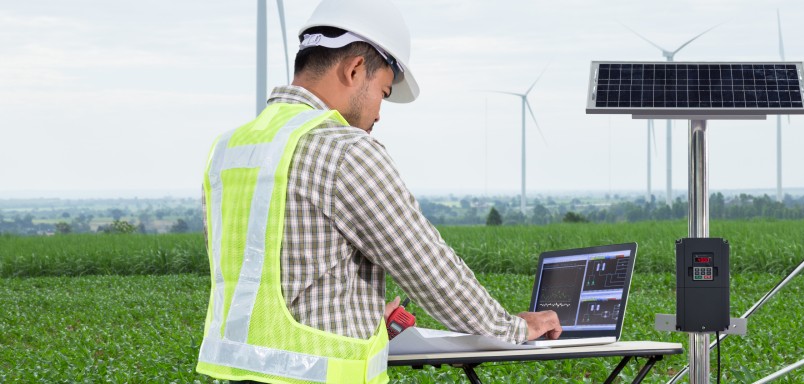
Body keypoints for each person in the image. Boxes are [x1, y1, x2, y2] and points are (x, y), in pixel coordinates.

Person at [194, 0, 560, 382]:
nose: (379, 114)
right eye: (383, 93)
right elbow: (429, 267)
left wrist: (361, 318)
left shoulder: (229, 149)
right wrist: (512, 328)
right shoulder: (345, 150)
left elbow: (267, 277)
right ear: (354, 69)